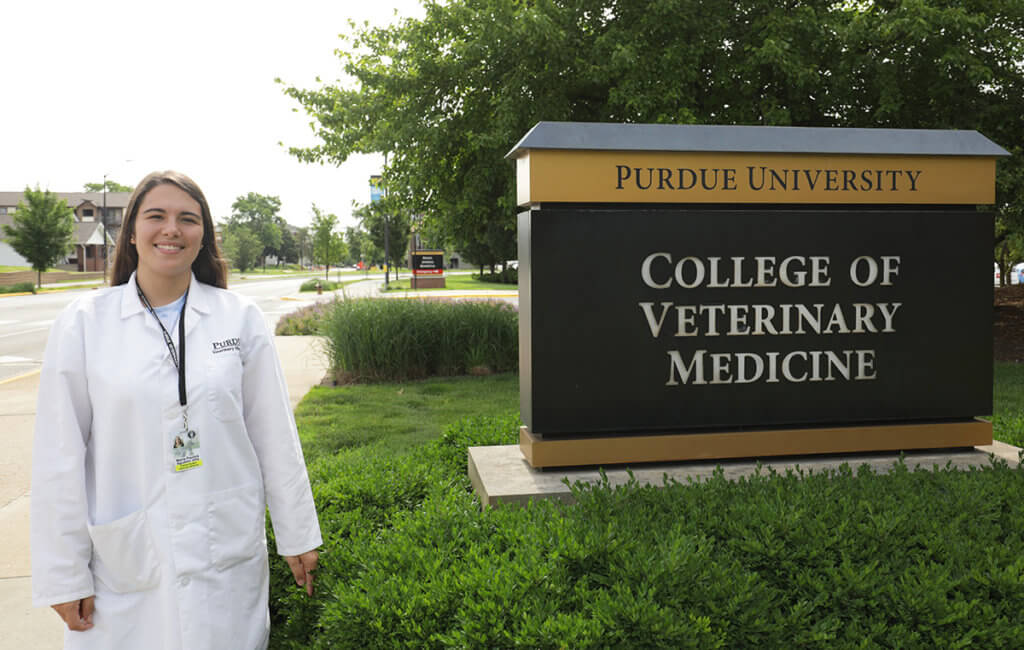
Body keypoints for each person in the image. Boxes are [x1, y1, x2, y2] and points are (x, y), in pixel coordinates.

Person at [31, 171, 322, 649]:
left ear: (203, 236)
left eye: (188, 219)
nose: (172, 229)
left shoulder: (239, 319)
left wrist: (297, 535)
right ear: (131, 231)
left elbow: (275, 437)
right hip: (125, 566)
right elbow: (57, 459)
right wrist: (64, 575)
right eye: (156, 216)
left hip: (222, 553)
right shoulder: (84, 325)